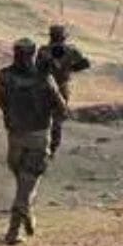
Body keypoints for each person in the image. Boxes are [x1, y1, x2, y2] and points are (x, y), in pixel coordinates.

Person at [0, 38, 66, 245]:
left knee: (23, 184)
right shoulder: (44, 79)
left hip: (15, 136)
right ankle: (14, 230)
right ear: (33, 54)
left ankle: (24, 222)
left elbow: (1, 103)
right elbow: (61, 108)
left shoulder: (4, 76)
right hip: (37, 136)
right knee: (27, 186)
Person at [36, 24, 91, 157]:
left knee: (42, 117)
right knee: (57, 119)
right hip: (62, 87)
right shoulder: (71, 51)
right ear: (64, 37)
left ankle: (42, 147)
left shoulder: (44, 51)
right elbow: (85, 64)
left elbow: (37, 68)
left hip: (45, 87)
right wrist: (69, 69)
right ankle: (52, 149)